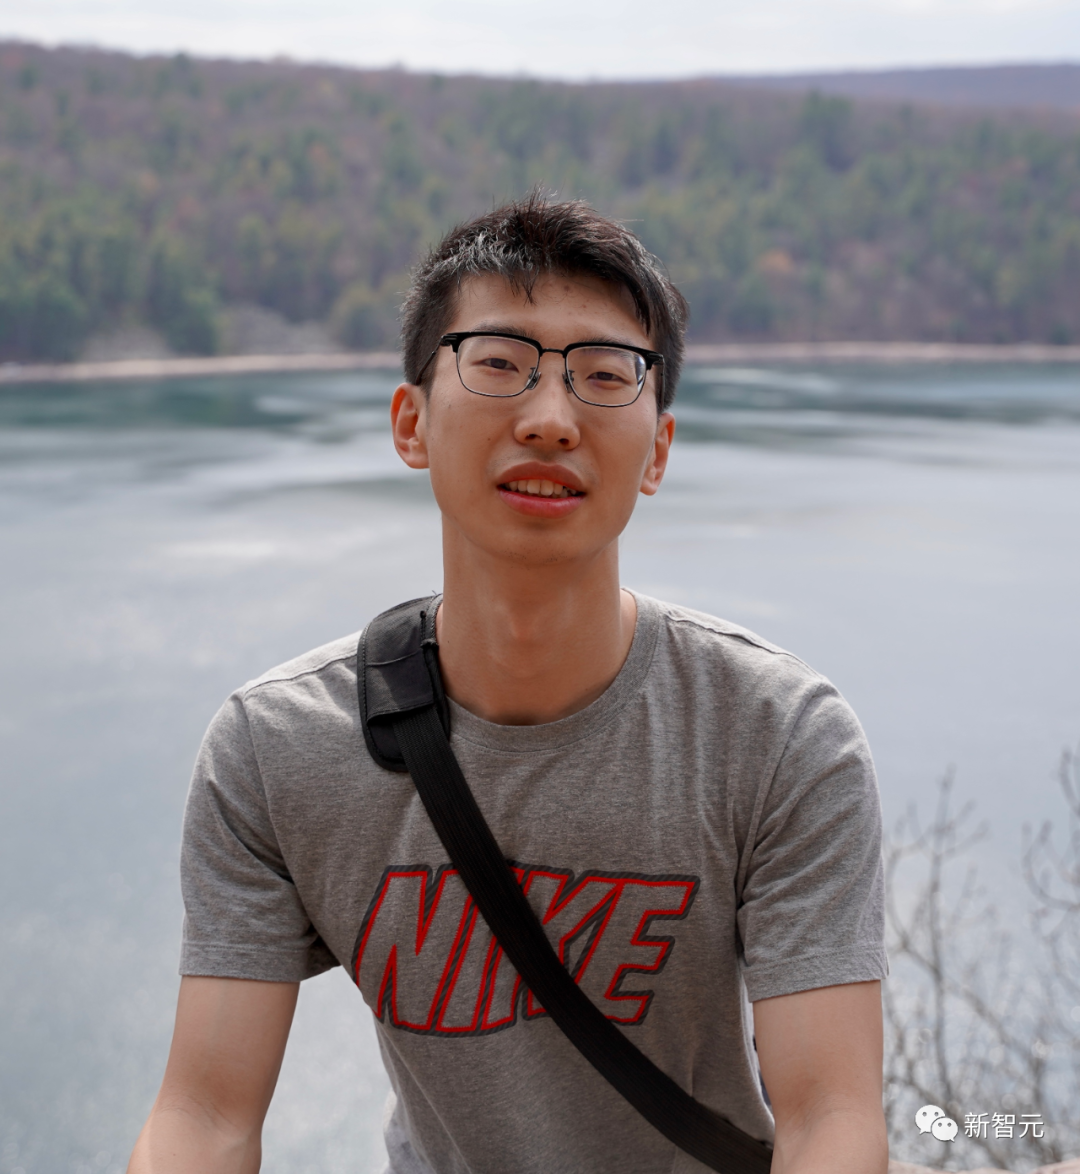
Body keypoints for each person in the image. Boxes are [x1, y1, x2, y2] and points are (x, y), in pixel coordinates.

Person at [128, 194, 888, 1174]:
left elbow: (831, 1118)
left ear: (658, 451)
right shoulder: (278, 748)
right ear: (411, 423)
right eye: (497, 363)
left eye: (605, 376)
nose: (550, 419)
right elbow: (205, 1115)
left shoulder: (776, 736)